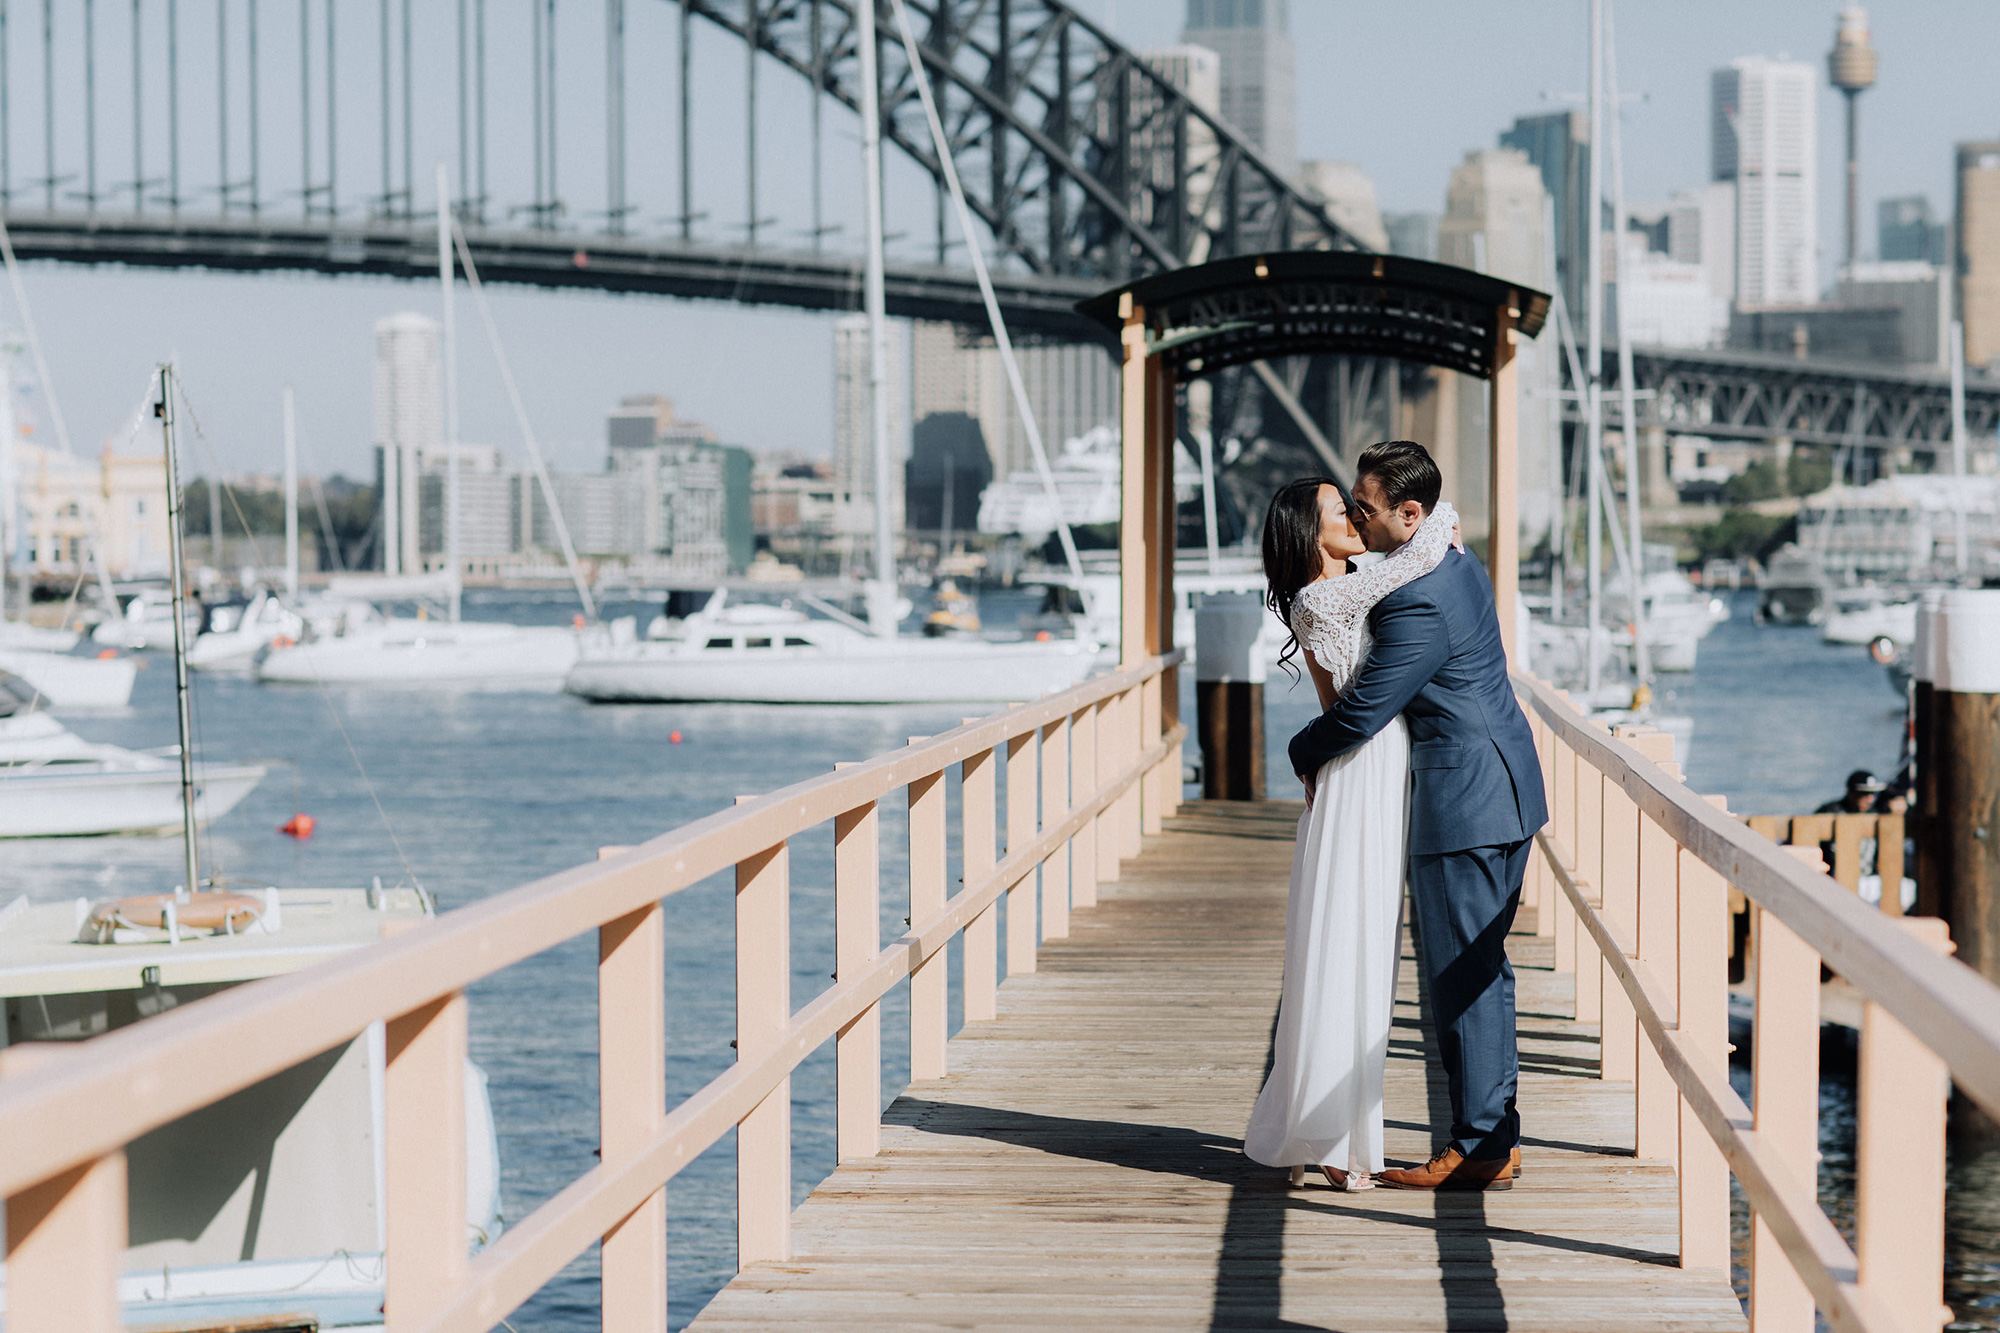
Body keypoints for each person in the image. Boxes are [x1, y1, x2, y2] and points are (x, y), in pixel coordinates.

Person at [1285, 440, 1547, 1193]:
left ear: (1409, 513)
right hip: (1505, 786)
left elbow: (1365, 709)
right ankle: (1496, 1137)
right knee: (1485, 970)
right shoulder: (1450, 560)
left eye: (1366, 509)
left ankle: (1475, 1148)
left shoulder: (1415, 599)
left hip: (1465, 801)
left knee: (1460, 977)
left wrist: (1301, 750)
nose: (1359, 520)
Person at [1243, 476, 1459, 1191]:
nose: (1358, 517)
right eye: (1345, 510)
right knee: (1347, 948)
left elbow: (1338, 696)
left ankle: (1332, 1132)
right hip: (1361, 775)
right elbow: (1414, 561)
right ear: (1312, 533)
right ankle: (1336, 1143)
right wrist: (1442, 517)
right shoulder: (1320, 596)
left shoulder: (1355, 581)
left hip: (1372, 768)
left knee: (1367, 947)